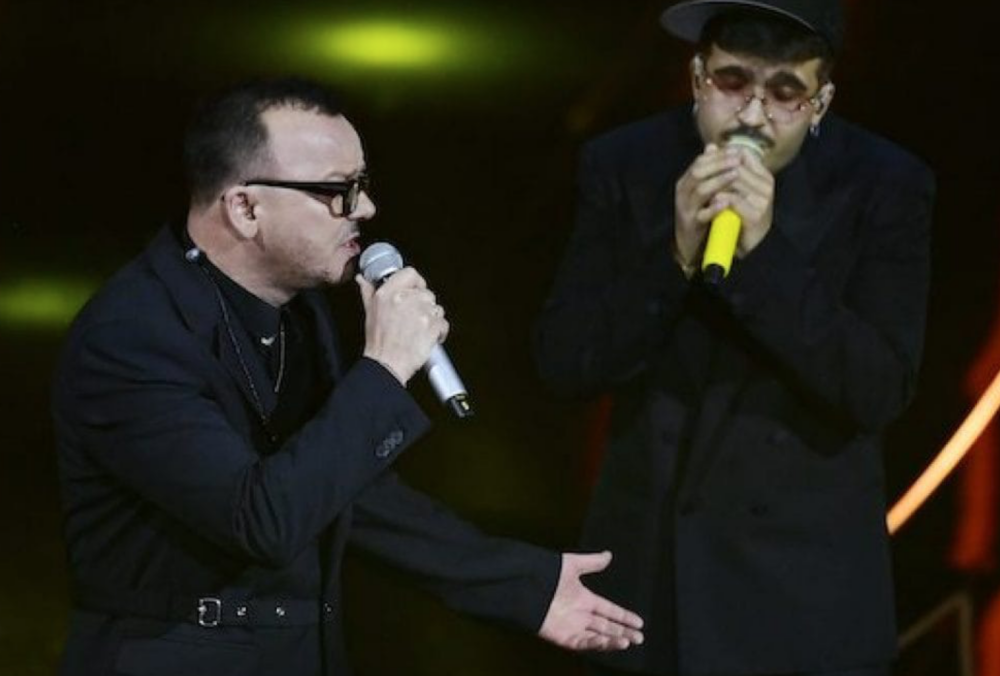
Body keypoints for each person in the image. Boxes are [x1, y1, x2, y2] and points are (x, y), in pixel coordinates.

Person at [52, 78, 644, 676]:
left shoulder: (300, 311)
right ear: (245, 208)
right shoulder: (131, 338)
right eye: (337, 191)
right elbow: (260, 521)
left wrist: (523, 585)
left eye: (362, 184)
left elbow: (346, 491)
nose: (365, 209)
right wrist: (384, 367)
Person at [533, 1, 934, 675]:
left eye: (784, 92)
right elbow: (564, 362)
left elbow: (878, 389)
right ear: (697, 78)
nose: (753, 114)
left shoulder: (885, 185)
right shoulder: (626, 163)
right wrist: (674, 257)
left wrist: (766, 255)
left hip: (801, 606)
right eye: (733, 82)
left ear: (821, 102)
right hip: (647, 594)